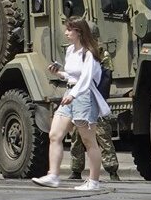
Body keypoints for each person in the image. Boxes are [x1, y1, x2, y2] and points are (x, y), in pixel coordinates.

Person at [32, 17, 110, 191]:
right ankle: (53, 175)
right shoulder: (69, 51)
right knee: (54, 134)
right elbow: (72, 76)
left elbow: (86, 78)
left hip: (84, 96)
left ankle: (94, 182)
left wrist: (73, 94)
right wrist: (59, 74)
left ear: (79, 32)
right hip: (71, 93)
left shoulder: (89, 53)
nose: (66, 33)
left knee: (88, 141)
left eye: (69, 30)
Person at [68, 36, 120, 181]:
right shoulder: (77, 52)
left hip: (95, 97)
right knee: (77, 136)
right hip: (80, 98)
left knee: (102, 135)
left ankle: (112, 170)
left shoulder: (101, 54)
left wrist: (100, 97)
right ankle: (76, 170)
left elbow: (106, 78)